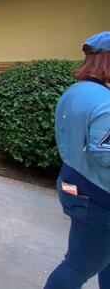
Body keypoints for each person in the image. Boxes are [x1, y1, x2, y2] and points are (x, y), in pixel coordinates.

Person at [44, 31, 110, 289]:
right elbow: (105, 155)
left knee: (100, 259)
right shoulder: (105, 102)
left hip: (72, 180)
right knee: (78, 267)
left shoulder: (74, 91)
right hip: (98, 196)